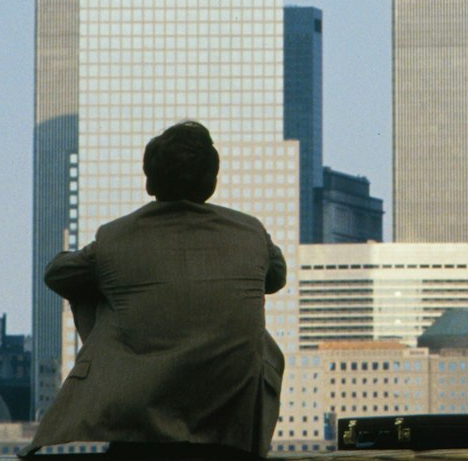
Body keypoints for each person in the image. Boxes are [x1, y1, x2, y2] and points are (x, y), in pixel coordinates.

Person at [23, 121, 286, 459]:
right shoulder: (250, 233)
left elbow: (57, 275)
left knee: (103, 291)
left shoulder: (114, 238)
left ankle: (118, 353)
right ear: (211, 181)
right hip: (231, 423)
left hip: (142, 421)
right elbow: (275, 278)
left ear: (150, 181)